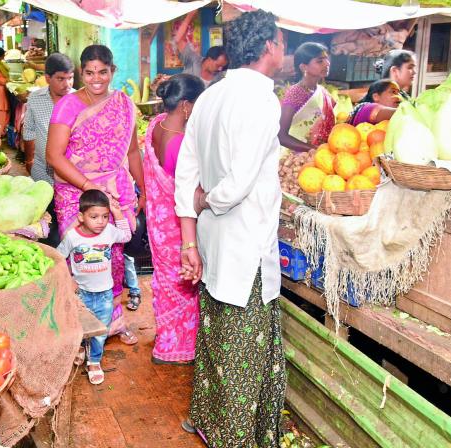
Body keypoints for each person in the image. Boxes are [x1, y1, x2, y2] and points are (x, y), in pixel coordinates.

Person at [175, 10, 286, 447]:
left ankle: (205, 419)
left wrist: (190, 235)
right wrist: (210, 200)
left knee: (215, 334)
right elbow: (237, 184)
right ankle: (236, 437)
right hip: (245, 243)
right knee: (244, 345)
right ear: (267, 48)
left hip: (214, 239)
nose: (284, 49)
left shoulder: (210, 95)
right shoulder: (261, 99)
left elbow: (187, 171)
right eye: (280, 41)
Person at [46, 44, 144, 345]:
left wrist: (145, 190)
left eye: (103, 72)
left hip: (116, 192)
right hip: (78, 195)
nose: (96, 79)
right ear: (81, 73)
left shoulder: (123, 104)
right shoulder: (68, 105)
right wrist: (91, 187)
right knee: (84, 258)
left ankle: (112, 321)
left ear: (112, 71)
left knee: (113, 257)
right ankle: (82, 325)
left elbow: (132, 151)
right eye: (89, 72)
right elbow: (53, 156)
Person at [141, 73, 204, 363]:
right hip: (176, 226)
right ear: (187, 106)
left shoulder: (156, 126)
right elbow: (188, 190)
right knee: (184, 284)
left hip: (158, 221)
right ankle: (175, 348)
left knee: (166, 282)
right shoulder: (181, 143)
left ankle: (167, 336)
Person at [57, 190, 132, 385]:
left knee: (101, 330)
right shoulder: (73, 237)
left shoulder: (109, 231)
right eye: (94, 217)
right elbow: (57, 257)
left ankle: (94, 361)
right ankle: (80, 347)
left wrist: (117, 213)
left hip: (105, 294)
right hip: (81, 293)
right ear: (81, 217)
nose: (100, 221)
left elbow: (126, 236)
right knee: (78, 325)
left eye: (104, 216)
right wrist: (68, 280)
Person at [23, 53, 75, 248]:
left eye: (70, 77)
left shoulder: (78, 100)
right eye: (61, 79)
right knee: (46, 220)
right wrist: (28, 161)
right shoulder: (36, 99)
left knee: (69, 221)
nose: (67, 83)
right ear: (48, 78)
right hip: (42, 172)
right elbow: (28, 131)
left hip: (70, 174)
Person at [278, 42, 335, 152]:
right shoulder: (295, 93)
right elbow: (281, 136)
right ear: (304, 67)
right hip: (296, 159)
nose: (327, 63)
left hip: (322, 157)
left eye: (326, 59)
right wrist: (314, 150)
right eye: (320, 61)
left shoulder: (323, 92)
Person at [172, 10, 228, 88]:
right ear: (209, 59)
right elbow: (178, 39)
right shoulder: (193, 60)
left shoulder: (220, 77)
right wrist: (190, 16)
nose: (220, 69)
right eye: (218, 65)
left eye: (222, 66)